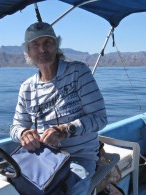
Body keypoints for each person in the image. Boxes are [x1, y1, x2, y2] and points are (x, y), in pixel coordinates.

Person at [10, 21, 107, 194]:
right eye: (35, 44)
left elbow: (99, 118)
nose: (42, 49)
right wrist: (23, 134)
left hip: (78, 157)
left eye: (48, 42)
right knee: (3, 185)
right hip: (42, 158)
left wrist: (65, 130)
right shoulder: (27, 87)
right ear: (28, 52)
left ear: (56, 46)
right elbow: (15, 127)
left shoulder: (78, 72)